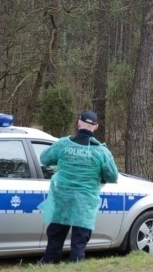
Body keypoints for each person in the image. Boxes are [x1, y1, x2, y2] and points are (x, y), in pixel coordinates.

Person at [38, 110, 119, 263]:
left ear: (78, 122)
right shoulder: (102, 152)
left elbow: (44, 159)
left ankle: (49, 264)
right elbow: (112, 176)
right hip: (85, 201)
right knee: (79, 239)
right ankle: (75, 267)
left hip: (62, 199)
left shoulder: (63, 144)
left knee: (55, 235)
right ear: (96, 127)